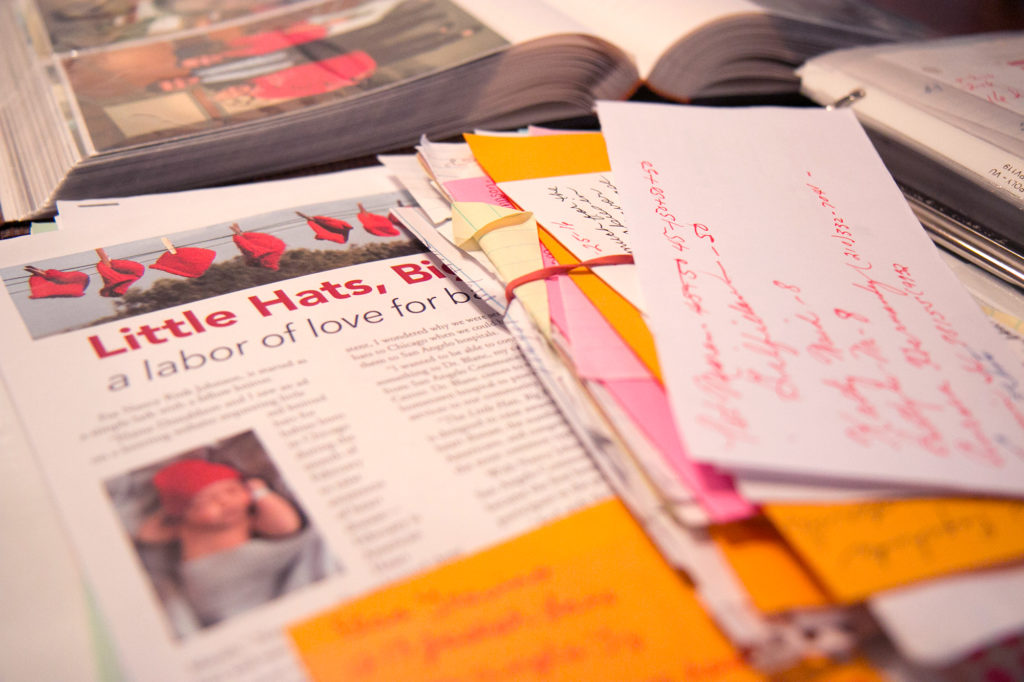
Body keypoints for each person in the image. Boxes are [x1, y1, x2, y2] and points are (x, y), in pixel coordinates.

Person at [136, 458, 328, 632]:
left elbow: (286, 527)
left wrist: (261, 493)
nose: (225, 502)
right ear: (185, 512)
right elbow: (147, 535)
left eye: (232, 491)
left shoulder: (245, 520)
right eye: (206, 501)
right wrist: (170, 511)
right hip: (208, 577)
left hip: (252, 570)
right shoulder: (184, 527)